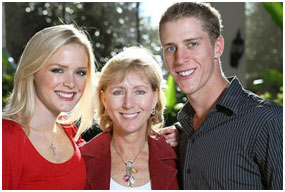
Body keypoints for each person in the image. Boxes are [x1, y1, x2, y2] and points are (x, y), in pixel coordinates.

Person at [159, 2, 283, 190]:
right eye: (170, 48)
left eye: (192, 44)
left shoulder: (268, 121)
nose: (180, 59)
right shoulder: (183, 130)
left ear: (218, 46)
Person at [2, 24, 96, 189]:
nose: (70, 83)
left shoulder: (69, 130)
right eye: (58, 70)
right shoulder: (6, 138)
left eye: (80, 72)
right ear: (32, 71)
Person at [80, 46, 179, 190]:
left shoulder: (179, 155)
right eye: (118, 92)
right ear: (104, 99)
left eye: (139, 91)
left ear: (154, 98)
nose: (128, 103)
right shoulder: (81, 159)